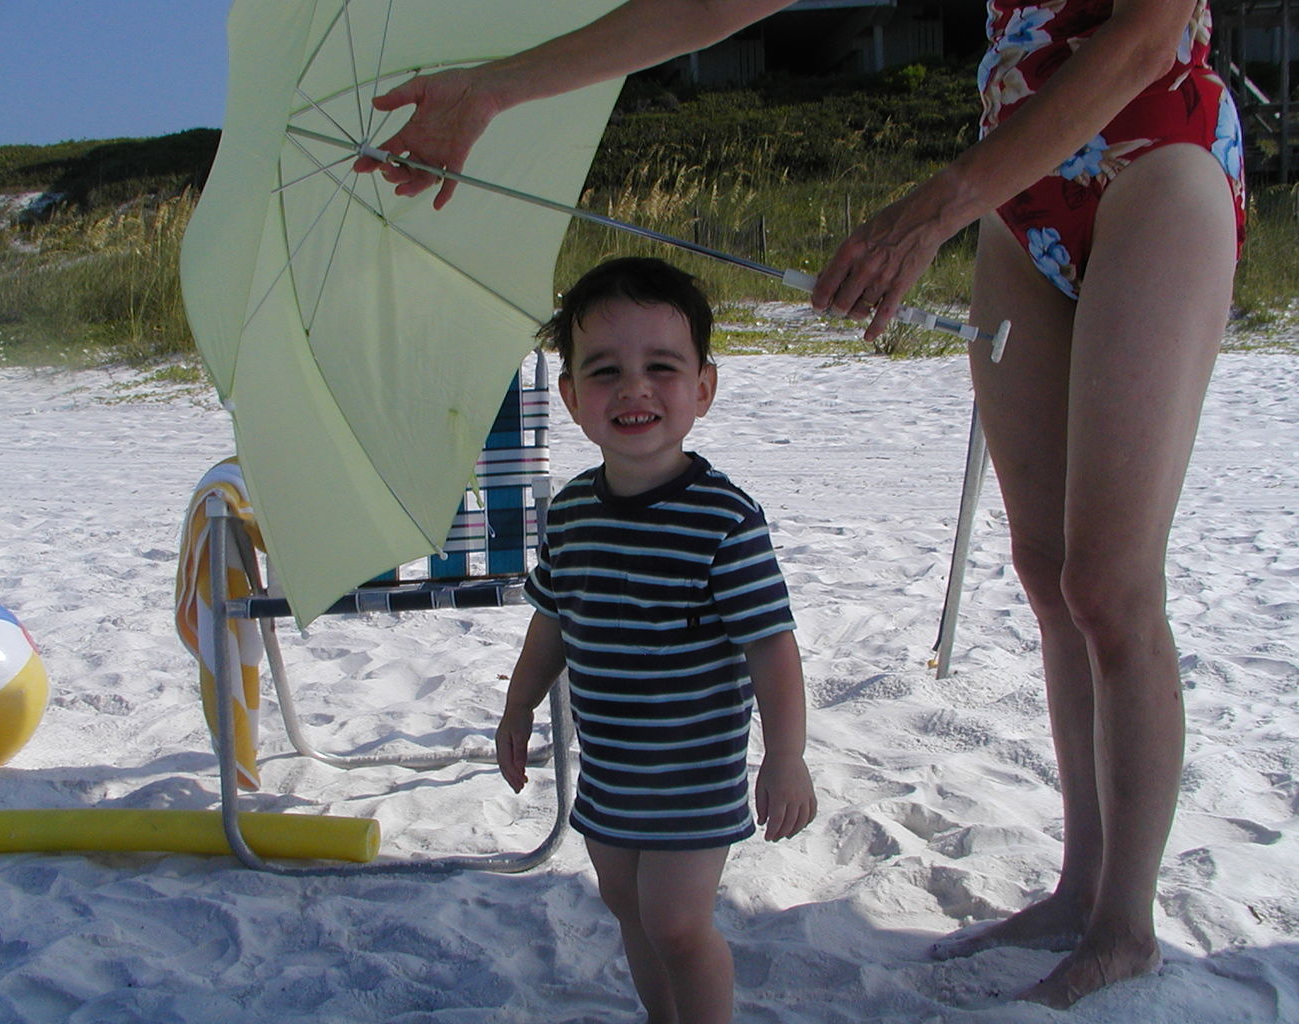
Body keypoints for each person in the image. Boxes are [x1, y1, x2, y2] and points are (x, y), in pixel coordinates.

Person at [356, 0, 1245, 1008]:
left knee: (1109, 581)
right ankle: (1081, 884)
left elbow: (1141, 41)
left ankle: (1125, 922)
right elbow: (706, 7)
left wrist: (932, 208)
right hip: (1024, 193)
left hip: (1156, 155)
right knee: (1048, 573)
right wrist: (493, 90)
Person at [497, 256, 816, 1024]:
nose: (634, 388)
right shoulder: (572, 511)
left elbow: (770, 644)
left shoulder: (722, 519)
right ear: (571, 398)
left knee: (676, 921)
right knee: (625, 905)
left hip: (692, 770)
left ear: (701, 389)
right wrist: (516, 707)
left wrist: (785, 753)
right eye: (604, 371)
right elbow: (552, 622)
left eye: (661, 367)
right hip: (611, 766)